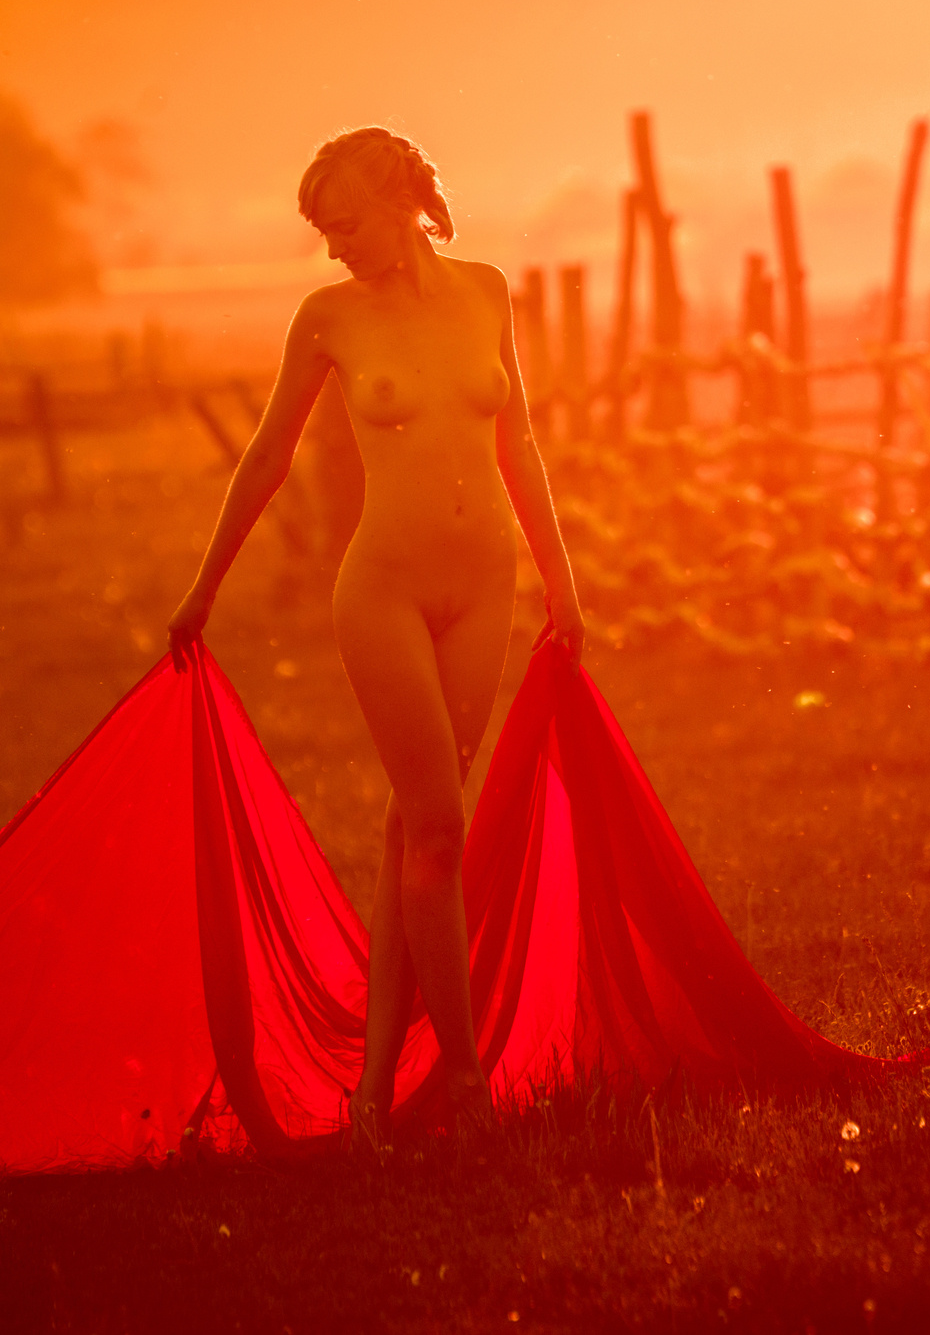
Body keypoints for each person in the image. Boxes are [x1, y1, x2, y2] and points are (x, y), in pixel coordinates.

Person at [167, 127, 586, 1150]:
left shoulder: (487, 290)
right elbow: (267, 452)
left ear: (401, 199)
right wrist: (203, 587)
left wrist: (563, 585)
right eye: (321, 231)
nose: (331, 246)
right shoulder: (329, 317)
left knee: (416, 829)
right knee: (438, 826)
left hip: (486, 581)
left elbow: (520, 438)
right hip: (384, 592)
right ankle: (467, 1077)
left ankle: (372, 1088)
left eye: (343, 223)